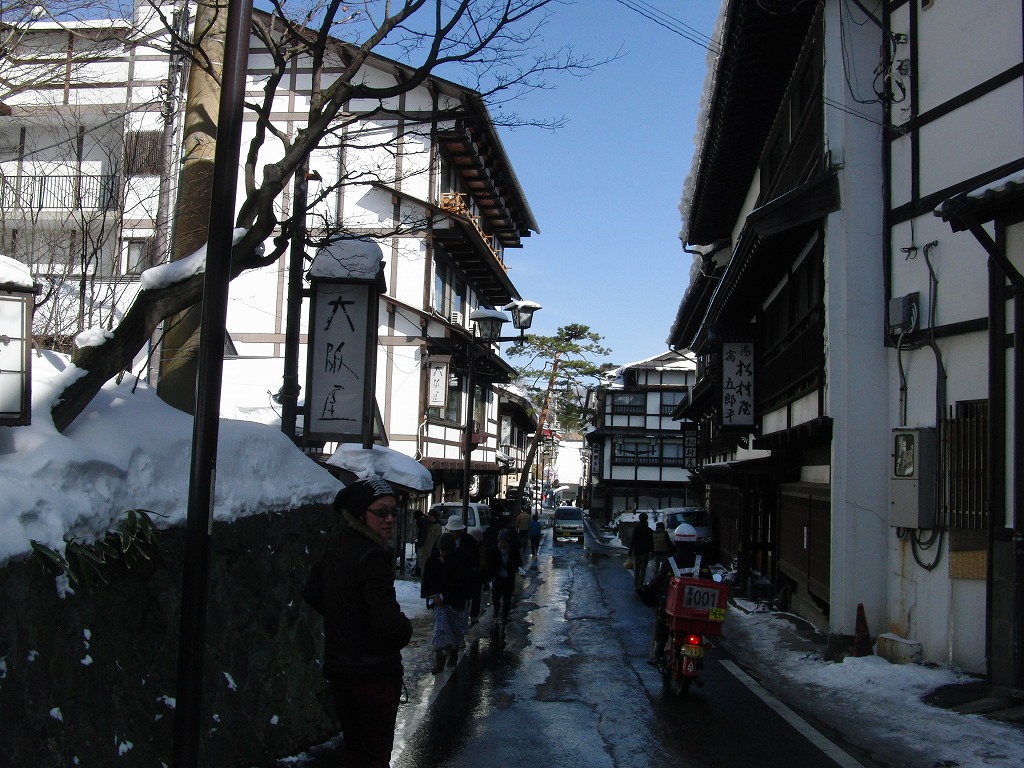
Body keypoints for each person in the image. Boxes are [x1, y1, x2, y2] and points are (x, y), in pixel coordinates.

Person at [302, 477, 412, 768]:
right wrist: (405, 629)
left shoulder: (339, 544)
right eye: (381, 512)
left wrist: (345, 619)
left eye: (393, 512)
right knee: (374, 756)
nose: (389, 519)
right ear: (361, 514)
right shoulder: (372, 555)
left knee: (354, 750)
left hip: (341, 670)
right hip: (373, 674)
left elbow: (311, 590)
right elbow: (388, 626)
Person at [644, 522, 713, 667]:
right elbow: (710, 583)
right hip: (696, 610)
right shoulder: (701, 562)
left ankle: (657, 654)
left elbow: (657, 581)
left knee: (661, 621)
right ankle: (698, 656)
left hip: (673, 608)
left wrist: (649, 589)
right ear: (694, 541)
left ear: (676, 541)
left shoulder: (670, 562)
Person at [420, 532, 473, 673]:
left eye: (445, 551)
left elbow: (464, 579)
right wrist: (433, 595)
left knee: (456, 629)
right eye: (441, 550)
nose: (443, 553)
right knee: (440, 628)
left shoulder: (461, 557)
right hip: (440, 602)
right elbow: (428, 579)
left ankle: (453, 651)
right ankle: (439, 657)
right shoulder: (434, 558)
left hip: (457, 600)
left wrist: (448, 565)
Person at [444, 515, 483, 625]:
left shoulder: (469, 540)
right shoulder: (443, 540)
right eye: (452, 531)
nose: (455, 534)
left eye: (457, 531)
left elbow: (475, 558)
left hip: (465, 576)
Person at [486, 528, 524, 626]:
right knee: (495, 596)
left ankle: (505, 616)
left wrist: (512, 566)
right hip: (497, 577)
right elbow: (489, 564)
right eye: (501, 542)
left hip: (509, 577)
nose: (503, 545)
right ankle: (496, 609)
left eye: (505, 543)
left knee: (507, 598)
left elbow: (519, 562)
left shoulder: (513, 550)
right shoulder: (493, 549)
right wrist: (490, 577)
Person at [627, 512, 654, 590]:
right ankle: (640, 585)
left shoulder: (636, 529)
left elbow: (633, 540)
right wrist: (652, 552)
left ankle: (635, 584)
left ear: (639, 519)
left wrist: (630, 551)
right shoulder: (649, 530)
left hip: (637, 552)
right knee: (643, 570)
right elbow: (651, 542)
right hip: (645, 552)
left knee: (637, 569)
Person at [417, 507, 442, 577]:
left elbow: (438, 537)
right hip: (425, 547)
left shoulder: (437, 525)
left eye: (430, 515)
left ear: (433, 516)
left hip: (432, 549)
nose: (428, 517)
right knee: (424, 564)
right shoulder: (426, 523)